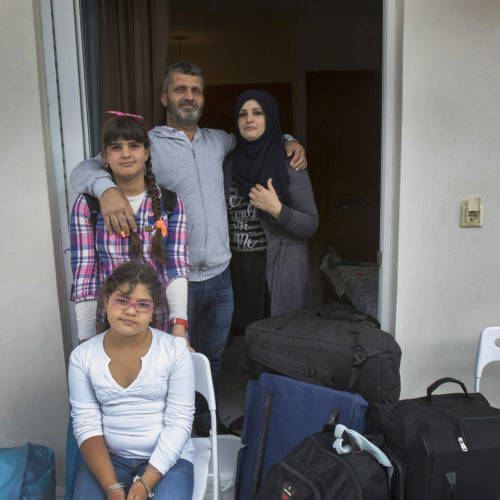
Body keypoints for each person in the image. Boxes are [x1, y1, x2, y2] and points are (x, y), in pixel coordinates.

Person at [70, 61, 307, 393]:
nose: (189, 97)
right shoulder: (145, 144)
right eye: (180, 89)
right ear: (164, 97)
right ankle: (181, 424)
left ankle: (204, 418)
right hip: (176, 280)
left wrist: (289, 140)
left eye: (196, 91)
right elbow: (83, 170)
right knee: (172, 363)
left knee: (212, 358)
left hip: (221, 277)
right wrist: (105, 189)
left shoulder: (219, 141)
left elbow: (258, 137)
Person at [68, 261, 195, 499]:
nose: (131, 310)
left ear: (153, 309)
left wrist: (145, 482)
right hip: (110, 459)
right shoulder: (82, 357)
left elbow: (180, 422)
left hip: (169, 459)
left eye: (142, 304)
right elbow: (86, 424)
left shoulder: (174, 351)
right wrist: (112, 487)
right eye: (122, 300)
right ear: (106, 300)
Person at [70, 112, 190, 347]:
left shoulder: (170, 203)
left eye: (134, 145)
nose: (125, 153)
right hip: (110, 328)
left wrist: (179, 326)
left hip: (161, 325)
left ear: (146, 152)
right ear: (105, 156)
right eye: (116, 147)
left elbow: (176, 267)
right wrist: (86, 339)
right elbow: (84, 275)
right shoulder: (88, 206)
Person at [224, 89, 319, 330]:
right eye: (242, 114)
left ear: (270, 117)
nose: (249, 119)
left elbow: (310, 224)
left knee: (278, 342)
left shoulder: (290, 162)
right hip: (236, 272)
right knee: (242, 343)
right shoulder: (228, 161)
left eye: (258, 113)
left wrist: (278, 210)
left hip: (277, 269)